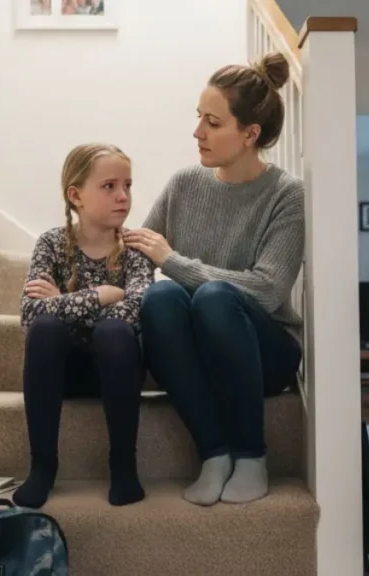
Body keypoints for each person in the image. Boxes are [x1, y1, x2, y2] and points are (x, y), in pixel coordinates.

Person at [123, 52, 304, 506]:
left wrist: (175, 261)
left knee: (214, 298)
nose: (197, 132)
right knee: (162, 300)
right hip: (199, 351)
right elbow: (138, 260)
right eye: (198, 118)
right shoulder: (185, 184)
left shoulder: (287, 195)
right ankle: (214, 454)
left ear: (250, 134)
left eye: (212, 122)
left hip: (266, 352)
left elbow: (267, 289)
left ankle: (250, 456)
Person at [15, 143, 154, 508]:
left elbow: (137, 308)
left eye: (128, 185)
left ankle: (124, 468)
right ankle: (42, 468)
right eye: (109, 186)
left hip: (119, 369)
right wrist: (105, 294)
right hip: (63, 375)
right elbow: (30, 315)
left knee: (113, 333)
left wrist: (61, 301)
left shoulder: (136, 249)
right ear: (75, 195)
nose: (123, 196)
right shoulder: (52, 244)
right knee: (46, 330)